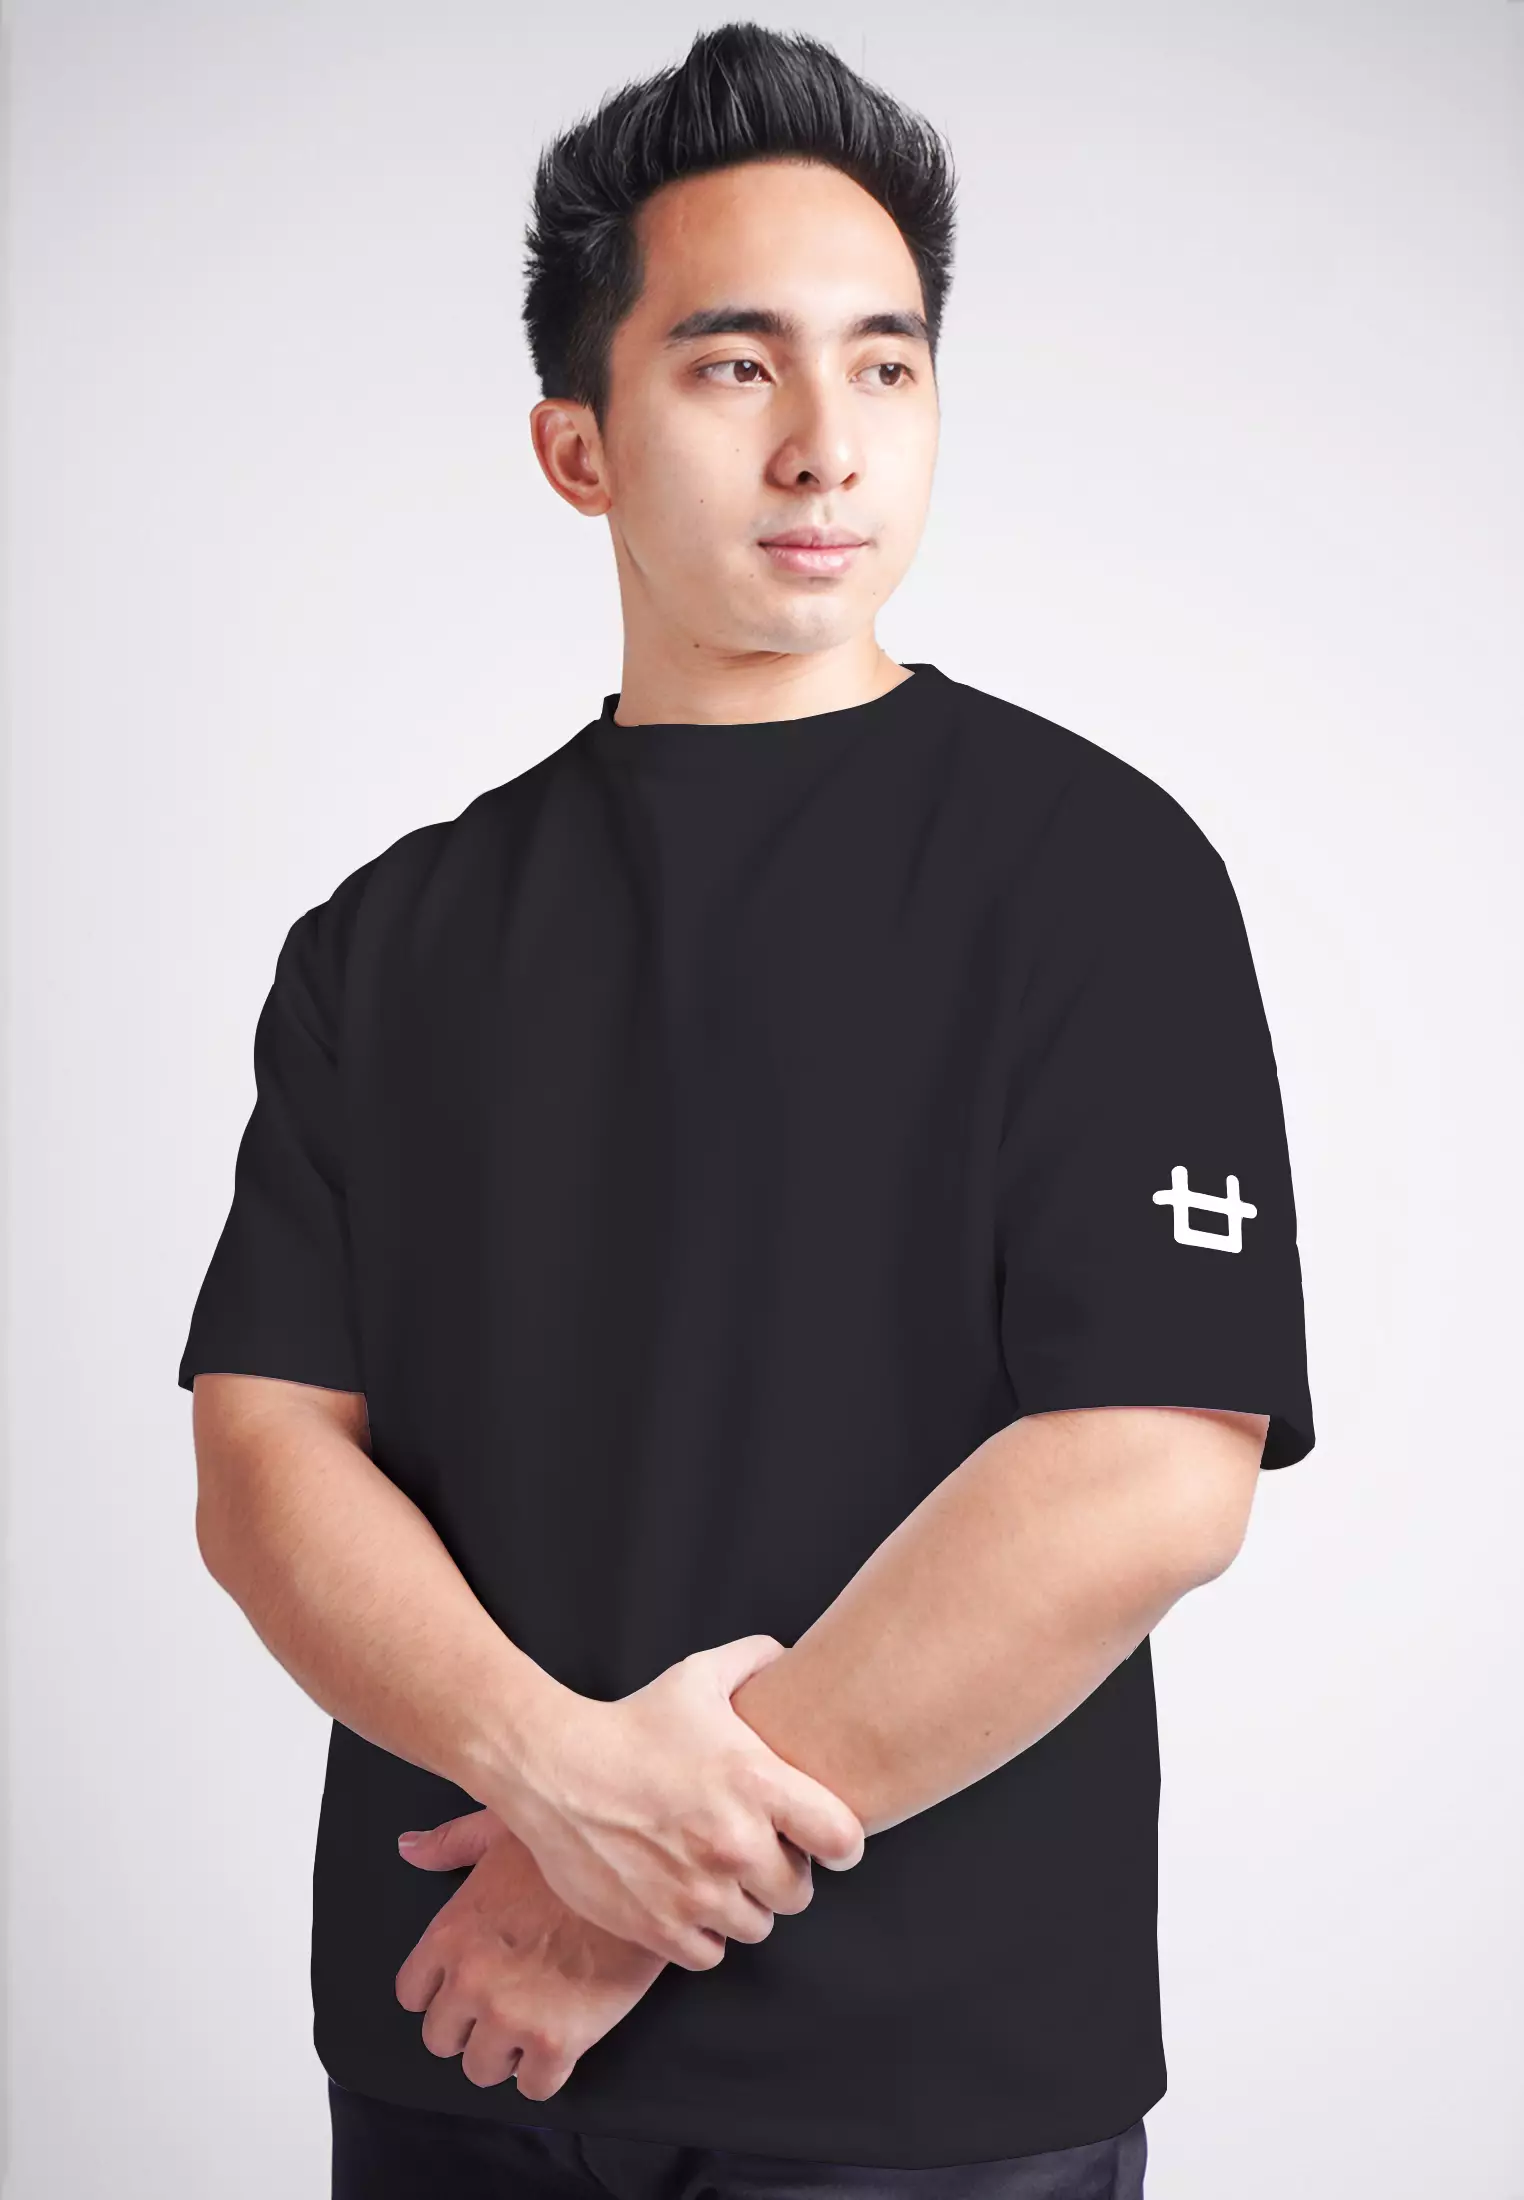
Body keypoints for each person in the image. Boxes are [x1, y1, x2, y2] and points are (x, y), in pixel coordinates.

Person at [177, 21, 1315, 2199]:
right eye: (733, 365)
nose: (826, 444)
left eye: (887, 365)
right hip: (458, 2041)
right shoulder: (388, 940)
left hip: (935, 2075)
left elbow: (1151, 1470)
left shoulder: (1099, 876)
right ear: (578, 445)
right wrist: (548, 1771)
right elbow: (265, 1459)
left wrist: (615, 1884)